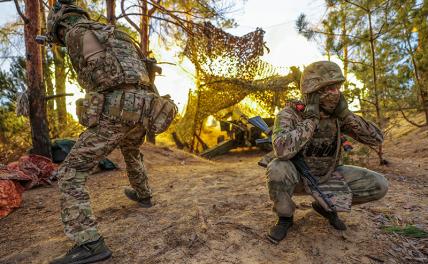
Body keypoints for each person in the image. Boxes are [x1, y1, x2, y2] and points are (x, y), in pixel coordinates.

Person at [43, 1, 177, 263]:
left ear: (58, 25)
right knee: (131, 149)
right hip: (146, 105)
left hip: (117, 107)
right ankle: (144, 194)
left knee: (71, 173)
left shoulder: (74, 34)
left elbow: (88, 80)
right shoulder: (115, 32)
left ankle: (90, 243)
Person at [265, 61, 388, 244]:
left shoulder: (338, 117)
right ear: (312, 91)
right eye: (329, 88)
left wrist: (346, 114)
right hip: (298, 178)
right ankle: (285, 217)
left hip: (329, 175)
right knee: (277, 168)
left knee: (379, 184)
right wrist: (312, 119)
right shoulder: (290, 114)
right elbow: (282, 151)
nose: (336, 93)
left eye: (337, 87)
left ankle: (324, 207)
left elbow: (376, 139)